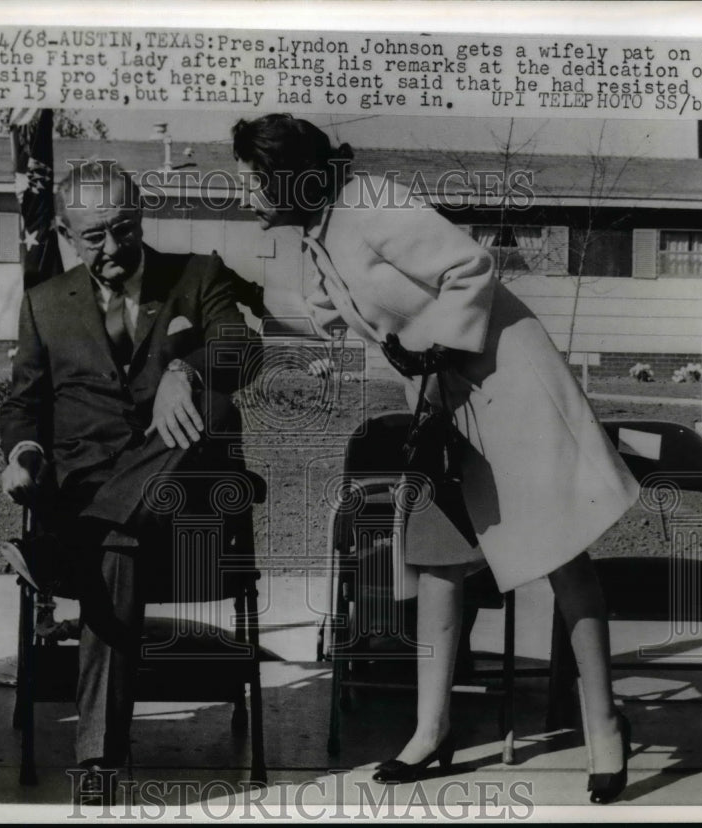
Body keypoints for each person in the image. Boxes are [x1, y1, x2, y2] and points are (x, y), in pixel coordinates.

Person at [232, 114, 640, 803]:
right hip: (444, 404)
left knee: (562, 555)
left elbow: (469, 266)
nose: (245, 196)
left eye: (252, 182)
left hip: (506, 384)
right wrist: (236, 293)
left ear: (287, 178)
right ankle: (431, 729)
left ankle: (604, 725)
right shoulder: (322, 234)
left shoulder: (371, 204)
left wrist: (433, 351)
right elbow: (327, 317)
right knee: (437, 558)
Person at [0, 162, 256, 790]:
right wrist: (23, 453)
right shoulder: (43, 304)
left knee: (213, 405)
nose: (112, 247)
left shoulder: (198, 275)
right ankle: (101, 760)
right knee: (116, 544)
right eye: (94, 236)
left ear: (141, 218)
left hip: (184, 506)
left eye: (125, 229)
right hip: (98, 501)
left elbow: (244, 348)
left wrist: (184, 372)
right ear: (65, 232)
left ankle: (67, 546)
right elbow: (23, 404)